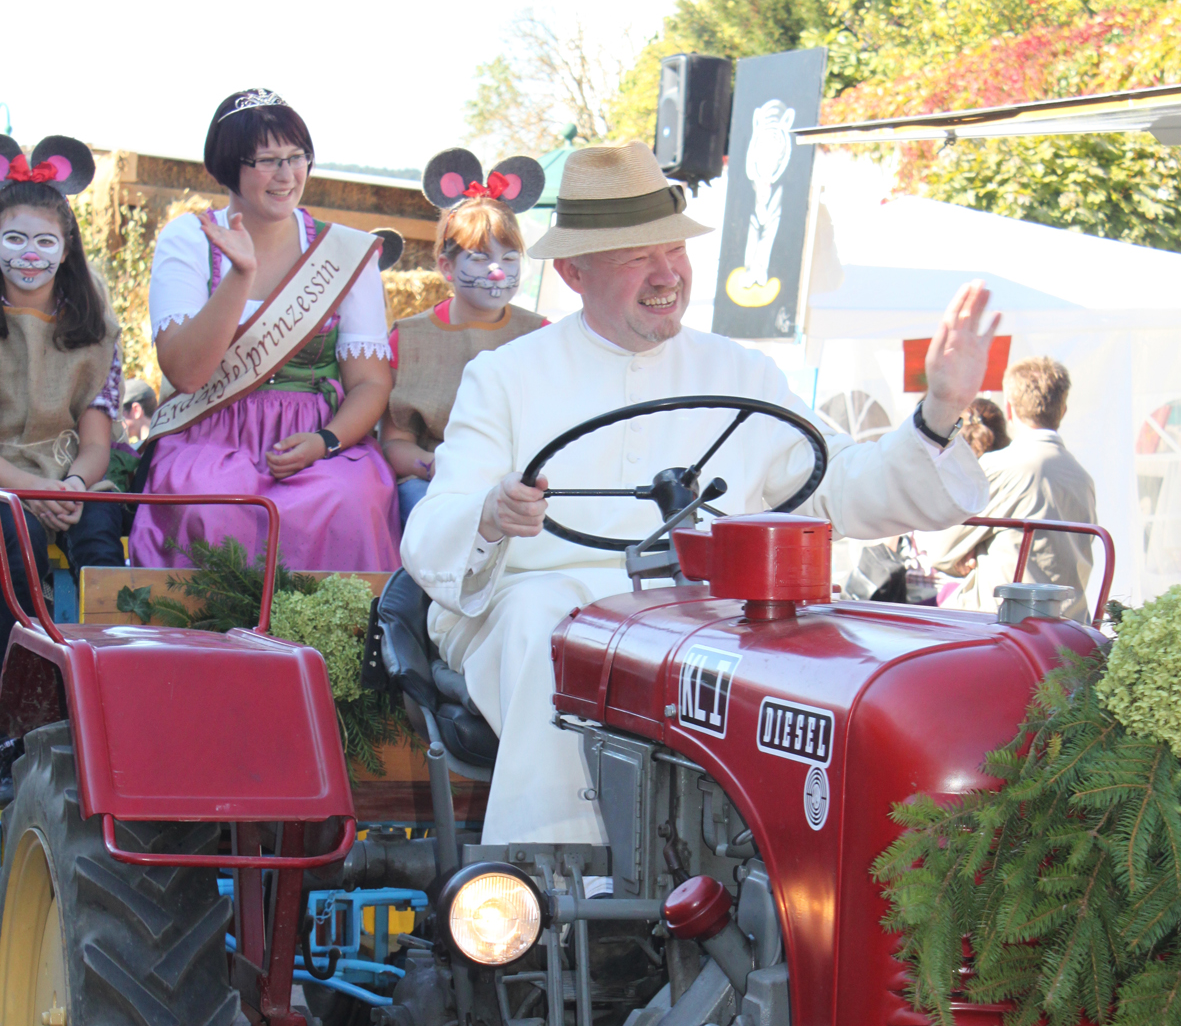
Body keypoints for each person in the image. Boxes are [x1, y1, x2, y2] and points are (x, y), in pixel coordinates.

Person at [400, 141, 994, 845]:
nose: (665, 275)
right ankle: (551, 876)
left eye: (674, 252)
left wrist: (936, 412)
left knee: (813, 651)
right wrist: (493, 514)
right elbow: (434, 533)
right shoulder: (505, 376)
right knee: (546, 618)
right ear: (571, 272)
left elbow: (839, 486)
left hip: (698, 618)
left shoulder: (740, 372)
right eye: (635, 257)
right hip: (530, 606)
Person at [130, 89, 398, 571]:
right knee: (207, 499)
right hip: (209, 430)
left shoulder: (343, 252)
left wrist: (327, 441)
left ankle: (332, 645)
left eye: (298, 158)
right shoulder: (189, 238)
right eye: (268, 161)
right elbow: (187, 375)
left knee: (351, 499)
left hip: (317, 435)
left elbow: (371, 383)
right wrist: (239, 276)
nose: (287, 175)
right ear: (229, 166)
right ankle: (201, 646)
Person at [0, 133, 125, 658]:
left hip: (66, 471)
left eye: (44, 242)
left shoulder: (92, 329)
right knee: (12, 531)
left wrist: (74, 484)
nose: (30, 254)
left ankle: (113, 659)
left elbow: (96, 440)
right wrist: (31, 490)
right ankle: (24, 668)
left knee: (100, 525)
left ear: (66, 248)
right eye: (13, 239)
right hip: (8, 478)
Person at [380, 148, 547, 529]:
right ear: (446, 266)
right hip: (433, 486)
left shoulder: (541, 335)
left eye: (509, 259)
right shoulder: (408, 339)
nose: (497, 272)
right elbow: (395, 442)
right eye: (479, 257)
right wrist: (435, 467)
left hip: (519, 488)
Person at [926, 357, 1097, 620]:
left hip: (1007, 627)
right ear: (1063, 410)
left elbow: (940, 550)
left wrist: (966, 555)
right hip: (1071, 625)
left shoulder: (999, 466)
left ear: (1009, 408)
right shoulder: (1083, 478)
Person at [121, 377, 157, 446]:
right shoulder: (167, 444)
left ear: (136, 410)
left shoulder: (132, 453)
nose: (116, 420)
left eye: (119, 412)